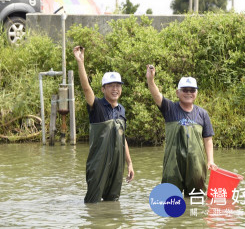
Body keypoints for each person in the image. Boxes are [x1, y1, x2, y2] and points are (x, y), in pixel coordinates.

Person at [73, 45, 134, 203]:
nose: (115, 89)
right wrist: (80, 62)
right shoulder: (97, 106)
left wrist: (129, 163)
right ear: (103, 89)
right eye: (111, 86)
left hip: (117, 166)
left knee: (113, 203)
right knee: (92, 203)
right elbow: (86, 88)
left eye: (118, 86)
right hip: (98, 164)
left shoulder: (122, 110)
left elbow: (122, 138)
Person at [146, 65, 217, 196]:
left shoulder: (202, 114)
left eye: (192, 90)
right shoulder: (170, 108)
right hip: (173, 166)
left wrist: (210, 160)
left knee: (196, 201)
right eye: (185, 90)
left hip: (196, 165)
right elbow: (156, 95)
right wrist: (151, 80)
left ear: (196, 93)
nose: (188, 93)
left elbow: (208, 139)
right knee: (170, 199)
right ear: (177, 92)